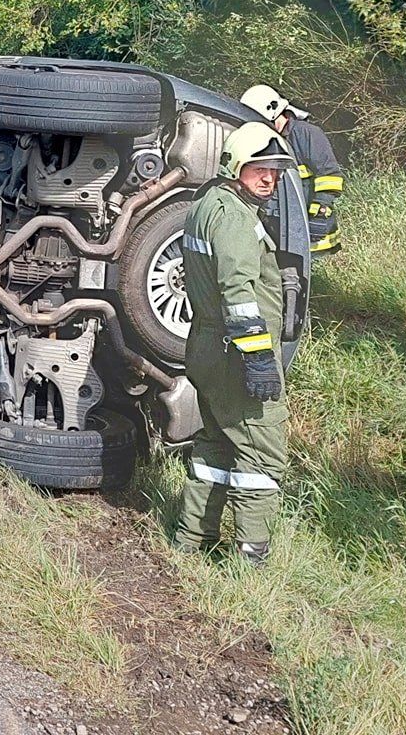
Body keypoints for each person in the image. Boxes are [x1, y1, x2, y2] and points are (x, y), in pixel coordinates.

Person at [171, 121, 299, 566]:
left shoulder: (206, 202)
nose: (270, 178)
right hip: (235, 354)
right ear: (234, 165)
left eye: (277, 171)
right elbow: (238, 291)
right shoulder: (235, 218)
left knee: (217, 445)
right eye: (259, 168)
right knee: (263, 456)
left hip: (207, 346)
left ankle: (191, 540)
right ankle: (251, 559)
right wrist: (260, 356)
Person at [240, 84, 345, 255]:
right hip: (280, 222)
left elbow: (331, 176)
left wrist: (318, 212)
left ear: (271, 113)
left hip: (308, 224)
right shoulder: (268, 138)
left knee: (304, 272)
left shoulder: (307, 134)